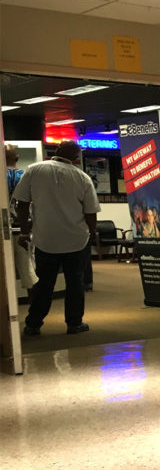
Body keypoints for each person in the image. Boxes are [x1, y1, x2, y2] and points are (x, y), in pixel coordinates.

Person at [13, 140, 99, 335]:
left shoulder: (34, 170)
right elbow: (91, 212)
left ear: (57, 150)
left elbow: (22, 204)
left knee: (43, 283)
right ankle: (74, 323)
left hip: (46, 239)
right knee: (75, 282)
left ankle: (33, 324)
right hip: (77, 240)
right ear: (76, 158)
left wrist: (25, 231)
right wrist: (91, 234)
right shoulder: (82, 177)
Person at [5, 143, 38, 295]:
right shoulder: (26, 176)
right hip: (23, 227)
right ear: (17, 158)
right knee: (28, 269)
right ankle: (34, 305)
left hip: (3, 229)